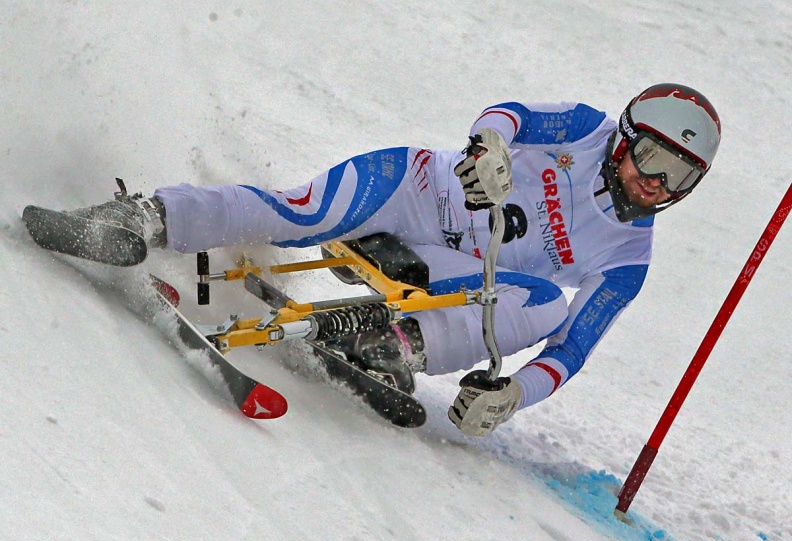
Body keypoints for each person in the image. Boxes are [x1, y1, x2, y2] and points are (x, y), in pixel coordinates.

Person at [56, 83, 721, 436]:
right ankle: (147, 217)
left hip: (446, 270)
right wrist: (489, 146)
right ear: (625, 140)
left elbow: (571, 349)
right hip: (410, 191)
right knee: (297, 212)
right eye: (655, 159)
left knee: (544, 305)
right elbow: (510, 114)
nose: (658, 185)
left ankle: (382, 342)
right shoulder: (586, 127)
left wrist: (516, 393)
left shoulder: (630, 257)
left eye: (682, 178)